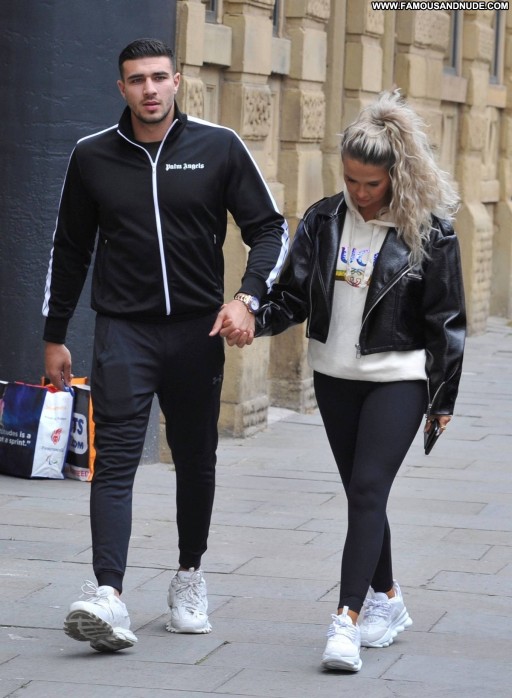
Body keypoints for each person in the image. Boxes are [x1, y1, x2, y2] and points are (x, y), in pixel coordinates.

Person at [42, 38, 288, 652]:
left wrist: (247, 298)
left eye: (158, 77)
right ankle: (109, 593)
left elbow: (269, 228)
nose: (149, 89)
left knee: (196, 457)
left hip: (196, 332)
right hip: (123, 330)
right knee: (114, 460)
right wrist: (54, 335)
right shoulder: (92, 155)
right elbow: (69, 249)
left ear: (177, 81)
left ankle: (189, 575)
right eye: (136, 80)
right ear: (121, 88)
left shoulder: (219, 147)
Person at [255, 91, 465, 672]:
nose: (360, 192)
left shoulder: (430, 232)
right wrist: (253, 318)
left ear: (396, 174)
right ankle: (388, 598)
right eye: (351, 179)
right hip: (334, 375)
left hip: (399, 376)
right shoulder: (323, 220)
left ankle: (345, 621)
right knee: (361, 493)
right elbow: (293, 297)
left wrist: (442, 397)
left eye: (371, 183)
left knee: (369, 489)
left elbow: (447, 321)